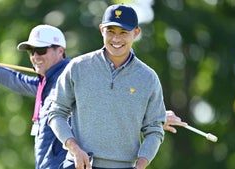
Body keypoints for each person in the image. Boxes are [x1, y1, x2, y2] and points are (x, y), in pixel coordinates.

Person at [48, 4, 167, 169]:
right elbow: (56, 112)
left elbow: (154, 129)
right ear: (101, 29)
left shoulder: (148, 78)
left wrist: (140, 165)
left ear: (136, 33)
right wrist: (74, 148)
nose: (116, 39)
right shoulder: (78, 67)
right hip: (79, 164)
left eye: (123, 32)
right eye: (110, 31)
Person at [0, 25, 69, 169]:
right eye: (32, 52)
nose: (35, 57)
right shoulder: (46, 83)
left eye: (41, 50)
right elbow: (16, 80)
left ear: (60, 51)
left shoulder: (69, 80)